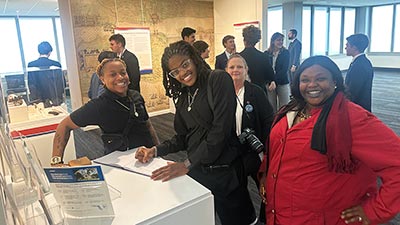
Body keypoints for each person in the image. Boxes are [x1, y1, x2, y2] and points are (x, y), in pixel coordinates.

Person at [258, 55, 400, 225]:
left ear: (335, 81)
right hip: (280, 213)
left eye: (321, 78)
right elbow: (274, 150)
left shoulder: (351, 118)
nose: (312, 85)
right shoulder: (289, 110)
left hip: (322, 218)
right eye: (305, 79)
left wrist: (374, 211)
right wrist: (266, 177)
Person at [135, 41, 256, 225]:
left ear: (194, 59)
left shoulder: (217, 79)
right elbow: (184, 138)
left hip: (225, 173)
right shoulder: (184, 96)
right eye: (175, 72)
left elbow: (220, 132)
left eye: (185, 64)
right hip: (198, 173)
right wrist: (155, 150)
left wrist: (187, 163)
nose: (182, 73)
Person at [51, 58, 159, 166]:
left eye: (123, 73)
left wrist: (158, 150)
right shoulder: (99, 106)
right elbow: (64, 125)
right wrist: (56, 162)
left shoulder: (136, 96)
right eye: (113, 75)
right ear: (103, 80)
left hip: (147, 157)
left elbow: (148, 125)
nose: (120, 77)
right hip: (121, 163)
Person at [225, 53, 274, 224]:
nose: (235, 70)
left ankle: (265, 218)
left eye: (239, 67)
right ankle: (248, 218)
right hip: (232, 152)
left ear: (246, 70)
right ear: (226, 70)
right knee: (237, 188)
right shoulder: (221, 93)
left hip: (254, 151)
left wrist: (267, 148)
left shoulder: (256, 92)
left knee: (267, 187)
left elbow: (269, 120)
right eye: (232, 67)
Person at [240, 25, 275, 95]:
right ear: (257, 41)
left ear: (244, 40)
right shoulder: (263, 56)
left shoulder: (239, 57)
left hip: (243, 92)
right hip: (260, 91)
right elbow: (270, 75)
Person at [345, 33, 374, 112]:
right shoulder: (361, 62)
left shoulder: (359, 65)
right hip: (360, 106)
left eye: (347, 45)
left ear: (354, 48)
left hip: (358, 108)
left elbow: (353, 91)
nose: (345, 48)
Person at [265, 32, 290, 112]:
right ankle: (274, 123)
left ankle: (284, 123)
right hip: (269, 83)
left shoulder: (286, 53)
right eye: (278, 40)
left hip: (282, 81)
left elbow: (284, 70)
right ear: (273, 41)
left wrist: (274, 81)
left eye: (282, 40)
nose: (281, 42)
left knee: (285, 105)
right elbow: (266, 69)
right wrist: (271, 81)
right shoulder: (266, 53)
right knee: (271, 106)